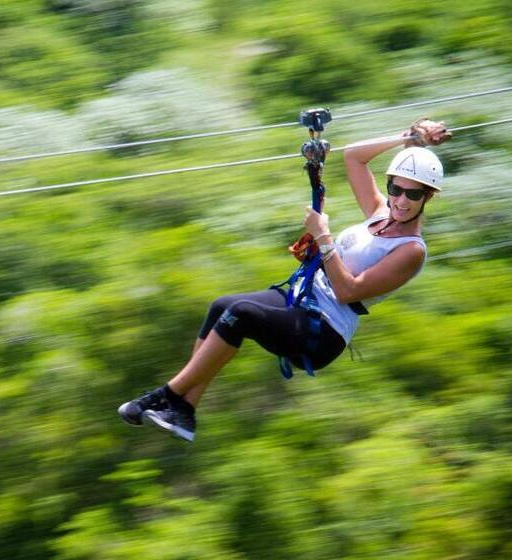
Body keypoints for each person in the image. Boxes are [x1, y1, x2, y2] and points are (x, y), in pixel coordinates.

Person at [118, 119, 452, 442]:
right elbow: (353, 155)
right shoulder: (379, 213)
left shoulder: (411, 251)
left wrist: (323, 238)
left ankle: (162, 396)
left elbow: (347, 290)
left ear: (428, 198)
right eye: (396, 188)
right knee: (222, 306)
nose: (401, 201)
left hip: (324, 330)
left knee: (242, 315)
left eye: (413, 195)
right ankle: (185, 409)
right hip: (303, 303)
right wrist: (407, 137)